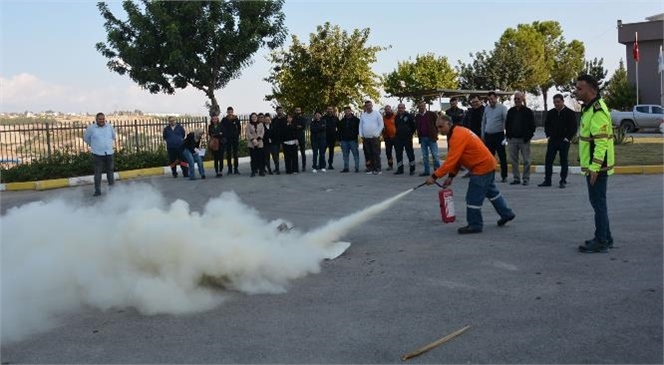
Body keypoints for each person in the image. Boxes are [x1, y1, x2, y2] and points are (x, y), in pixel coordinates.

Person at [424, 114, 515, 234]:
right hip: (487, 164)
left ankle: (475, 225)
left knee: (473, 198)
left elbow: (451, 160)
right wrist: (451, 176)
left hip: (481, 168)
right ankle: (506, 213)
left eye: (441, 127)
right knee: (492, 192)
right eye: (437, 127)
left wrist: (434, 176)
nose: (439, 130)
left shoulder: (457, 135)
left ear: (448, 123)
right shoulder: (456, 133)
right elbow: (457, 158)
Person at [575, 74, 615, 253]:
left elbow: (601, 143)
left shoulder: (597, 111)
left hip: (597, 168)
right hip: (595, 166)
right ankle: (606, 237)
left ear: (591, 90)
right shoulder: (589, 108)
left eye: (579, 88)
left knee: (598, 203)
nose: (576, 91)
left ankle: (601, 240)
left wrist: (595, 167)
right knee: (599, 203)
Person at [539, 94, 578, 188]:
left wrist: (568, 138)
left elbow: (573, 127)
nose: (556, 104)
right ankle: (547, 180)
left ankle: (563, 180)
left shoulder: (570, 113)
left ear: (562, 101)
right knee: (548, 160)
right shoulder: (551, 113)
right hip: (553, 140)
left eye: (558, 102)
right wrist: (548, 135)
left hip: (564, 141)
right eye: (554, 102)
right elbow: (547, 125)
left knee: (563, 161)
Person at [504, 91, 536, 185]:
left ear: (522, 99)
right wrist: (508, 135)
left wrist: (529, 136)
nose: (517, 100)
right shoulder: (511, 111)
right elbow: (507, 124)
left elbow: (532, 126)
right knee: (513, 161)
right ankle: (516, 178)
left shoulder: (528, 111)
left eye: (519, 99)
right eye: (515, 99)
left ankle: (526, 178)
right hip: (512, 139)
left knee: (527, 160)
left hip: (524, 140)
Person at [84, 112, 116, 196]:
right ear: (96, 120)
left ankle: (112, 191)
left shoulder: (109, 127)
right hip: (97, 154)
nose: (102, 121)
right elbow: (86, 138)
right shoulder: (91, 128)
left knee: (110, 173)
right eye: (100, 119)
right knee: (98, 173)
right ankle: (97, 191)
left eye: (103, 119)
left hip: (109, 153)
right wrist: (94, 145)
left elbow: (113, 136)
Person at [481, 91, 509, 183]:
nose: (490, 101)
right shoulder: (486, 109)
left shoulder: (503, 108)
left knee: (502, 156)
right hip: (488, 136)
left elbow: (506, 122)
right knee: (489, 157)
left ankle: (504, 175)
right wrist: (483, 135)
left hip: (499, 135)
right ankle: (490, 176)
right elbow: (484, 122)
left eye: (492, 99)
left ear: (496, 98)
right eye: (489, 100)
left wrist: (506, 135)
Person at [415, 101, 440, 177]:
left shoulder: (431, 114)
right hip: (422, 138)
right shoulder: (417, 116)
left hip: (431, 137)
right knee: (425, 156)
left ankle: (437, 171)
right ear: (418, 107)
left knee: (435, 155)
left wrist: (436, 132)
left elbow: (438, 123)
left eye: (423, 106)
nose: (421, 107)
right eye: (420, 106)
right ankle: (426, 171)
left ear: (425, 106)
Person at [360, 100, 384, 175]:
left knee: (375, 153)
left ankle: (377, 168)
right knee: (367, 153)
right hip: (366, 137)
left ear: (372, 106)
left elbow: (381, 124)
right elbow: (360, 126)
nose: (368, 107)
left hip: (374, 137)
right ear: (365, 107)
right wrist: (361, 135)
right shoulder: (363, 115)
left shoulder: (377, 114)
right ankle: (370, 168)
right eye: (367, 106)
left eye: (370, 105)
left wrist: (377, 133)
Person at [393, 103, 416, 175]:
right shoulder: (396, 117)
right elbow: (396, 126)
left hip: (407, 138)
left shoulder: (409, 116)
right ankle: (400, 169)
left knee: (410, 154)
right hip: (398, 139)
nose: (400, 109)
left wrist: (409, 133)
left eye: (402, 108)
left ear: (404, 108)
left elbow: (414, 126)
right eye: (399, 108)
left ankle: (412, 169)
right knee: (398, 154)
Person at [338, 106, 361, 173]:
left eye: (348, 111)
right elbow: (339, 131)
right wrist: (340, 139)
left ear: (351, 111)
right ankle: (346, 168)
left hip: (353, 140)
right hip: (344, 140)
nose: (347, 112)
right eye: (345, 111)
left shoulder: (356, 120)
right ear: (344, 112)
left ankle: (357, 167)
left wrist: (356, 137)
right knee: (345, 155)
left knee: (355, 154)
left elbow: (359, 130)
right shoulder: (342, 121)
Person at [221, 106, 241, 174]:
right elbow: (222, 129)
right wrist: (225, 136)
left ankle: (236, 168)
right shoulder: (224, 120)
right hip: (227, 139)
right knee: (228, 155)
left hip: (235, 139)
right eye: (229, 112)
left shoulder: (236, 119)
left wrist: (237, 136)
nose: (230, 113)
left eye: (231, 112)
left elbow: (239, 129)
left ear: (233, 112)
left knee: (235, 154)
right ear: (227, 112)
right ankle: (229, 169)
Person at [246, 112, 266, 177]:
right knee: (253, 158)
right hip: (252, 144)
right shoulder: (248, 125)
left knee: (260, 158)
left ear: (257, 117)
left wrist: (257, 140)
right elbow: (248, 133)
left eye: (255, 117)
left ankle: (261, 171)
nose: (254, 118)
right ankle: (253, 171)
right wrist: (253, 140)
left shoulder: (261, 124)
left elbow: (262, 132)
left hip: (259, 143)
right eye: (252, 117)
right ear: (251, 118)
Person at [382, 105, 397, 171]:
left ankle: (400, 165)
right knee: (388, 152)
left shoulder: (395, 117)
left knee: (398, 152)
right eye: (386, 109)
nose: (387, 110)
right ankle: (390, 165)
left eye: (388, 109)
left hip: (395, 137)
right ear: (385, 110)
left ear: (391, 110)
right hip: (387, 138)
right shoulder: (383, 118)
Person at [293, 107, 308, 172]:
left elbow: (304, 126)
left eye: (299, 110)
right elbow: (293, 126)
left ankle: (304, 166)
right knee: (294, 153)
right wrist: (298, 126)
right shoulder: (293, 118)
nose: (298, 111)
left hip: (301, 137)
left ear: (301, 111)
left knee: (303, 152)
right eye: (297, 110)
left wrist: (297, 126)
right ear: (295, 111)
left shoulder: (303, 118)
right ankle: (296, 167)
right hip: (295, 137)